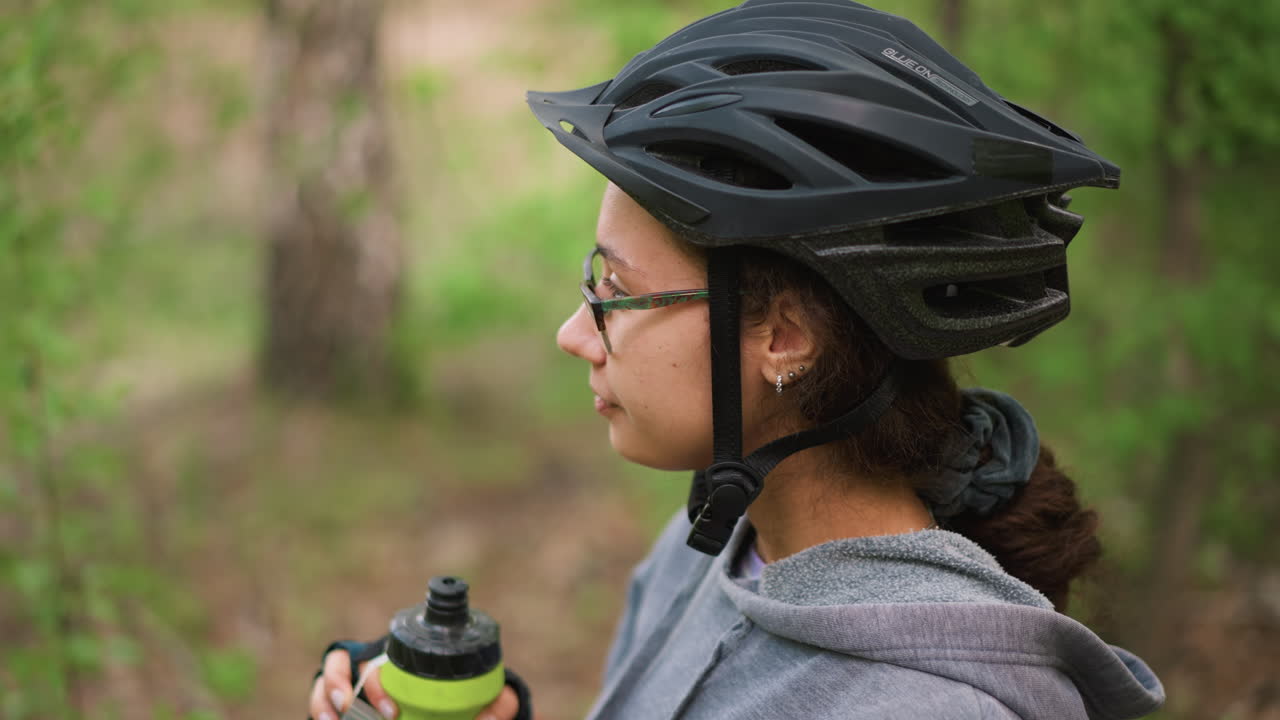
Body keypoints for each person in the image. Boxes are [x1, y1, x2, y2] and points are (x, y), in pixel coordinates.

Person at [309, 1, 1166, 718]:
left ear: (784, 336)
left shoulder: (925, 707)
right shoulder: (719, 540)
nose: (574, 333)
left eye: (614, 288)